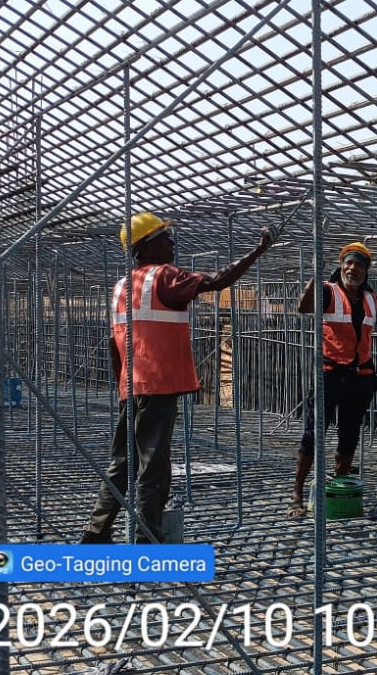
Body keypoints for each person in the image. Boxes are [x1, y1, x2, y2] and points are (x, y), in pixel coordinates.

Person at [80, 211, 275, 543]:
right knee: (153, 466)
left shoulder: (122, 286)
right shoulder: (164, 276)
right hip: (157, 386)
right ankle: (147, 540)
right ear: (145, 246)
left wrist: (122, 386)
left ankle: (96, 532)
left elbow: (115, 344)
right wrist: (259, 249)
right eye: (163, 237)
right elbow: (217, 281)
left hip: (132, 386)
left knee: (123, 462)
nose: (171, 243)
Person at [288, 242, 377, 518]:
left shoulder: (371, 299)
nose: (353, 269)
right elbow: (303, 307)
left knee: (349, 436)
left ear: (366, 271)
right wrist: (315, 276)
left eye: (359, 265)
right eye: (348, 263)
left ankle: (339, 487)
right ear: (341, 266)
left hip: (360, 377)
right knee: (313, 435)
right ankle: (297, 495)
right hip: (329, 375)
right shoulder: (328, 291)